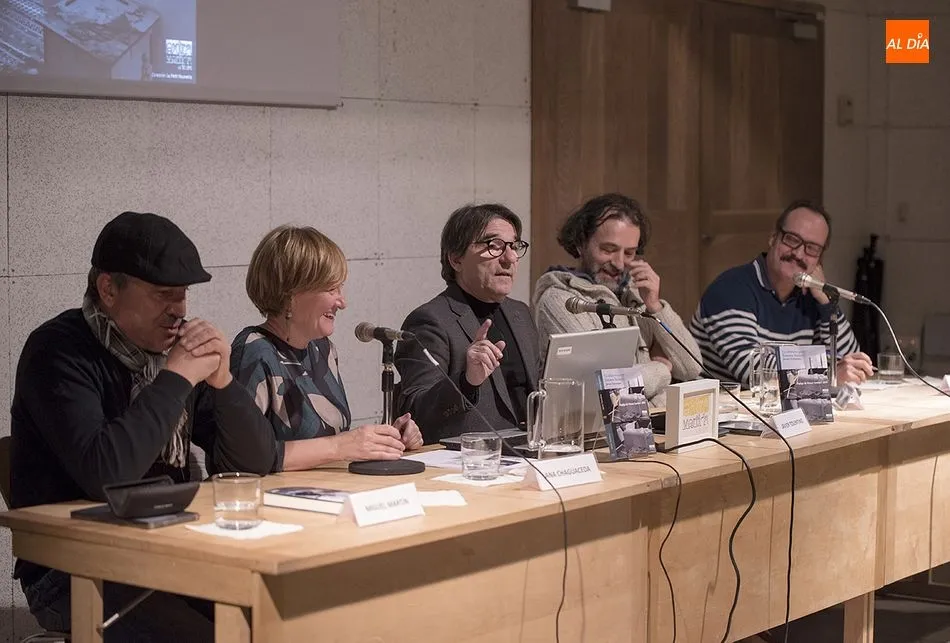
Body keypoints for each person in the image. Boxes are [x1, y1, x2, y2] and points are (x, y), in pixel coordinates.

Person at [10, 211, 278, 641]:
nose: (179, 311)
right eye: (162, 294)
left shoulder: (173, 353)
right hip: (75, 567)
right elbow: (107, 474)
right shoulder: (58, 351)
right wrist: (175, 378)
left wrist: (224, 382)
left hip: (172, 547)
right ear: (108, 290)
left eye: (184, 295)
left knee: (277, 618)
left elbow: (257, 462)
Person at [231, 225, 423, 469]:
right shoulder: (255, 351)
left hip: (329, 490)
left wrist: (382, 441)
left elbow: (328, 444)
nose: (342, 302)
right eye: (331, 288)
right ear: (291, 292)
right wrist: (343, 445)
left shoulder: (323, 350)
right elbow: (242, 455)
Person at [532, 193, 702, 405]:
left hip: (653, 425)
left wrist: (655, 306)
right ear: (580, 243)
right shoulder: (561, 300)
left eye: (630, 253)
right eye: (608, 250)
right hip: (594, 436)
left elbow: (692, 368)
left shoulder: (634, 294)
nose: (620, 264)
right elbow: (606, 389)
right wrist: (661, 368)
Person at [394, 204, 540, 443]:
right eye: (494, 246)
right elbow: (416, 413)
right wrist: (467, 381)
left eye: (514, 246)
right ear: (456, 259)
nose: (510, 258)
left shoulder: (520, 314)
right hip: (473, 461)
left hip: (536, 453)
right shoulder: (429, 321)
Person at [690, 199, 873, 387]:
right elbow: (753, 371)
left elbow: (851, 363)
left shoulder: (811, 296)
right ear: (773, 237)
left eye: (811, 248)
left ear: (819, 258)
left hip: (776, 410)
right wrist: (828, 376)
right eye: (792, 240)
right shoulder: (730, 289)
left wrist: (825, 302)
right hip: (717, 411)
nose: (799, 254)